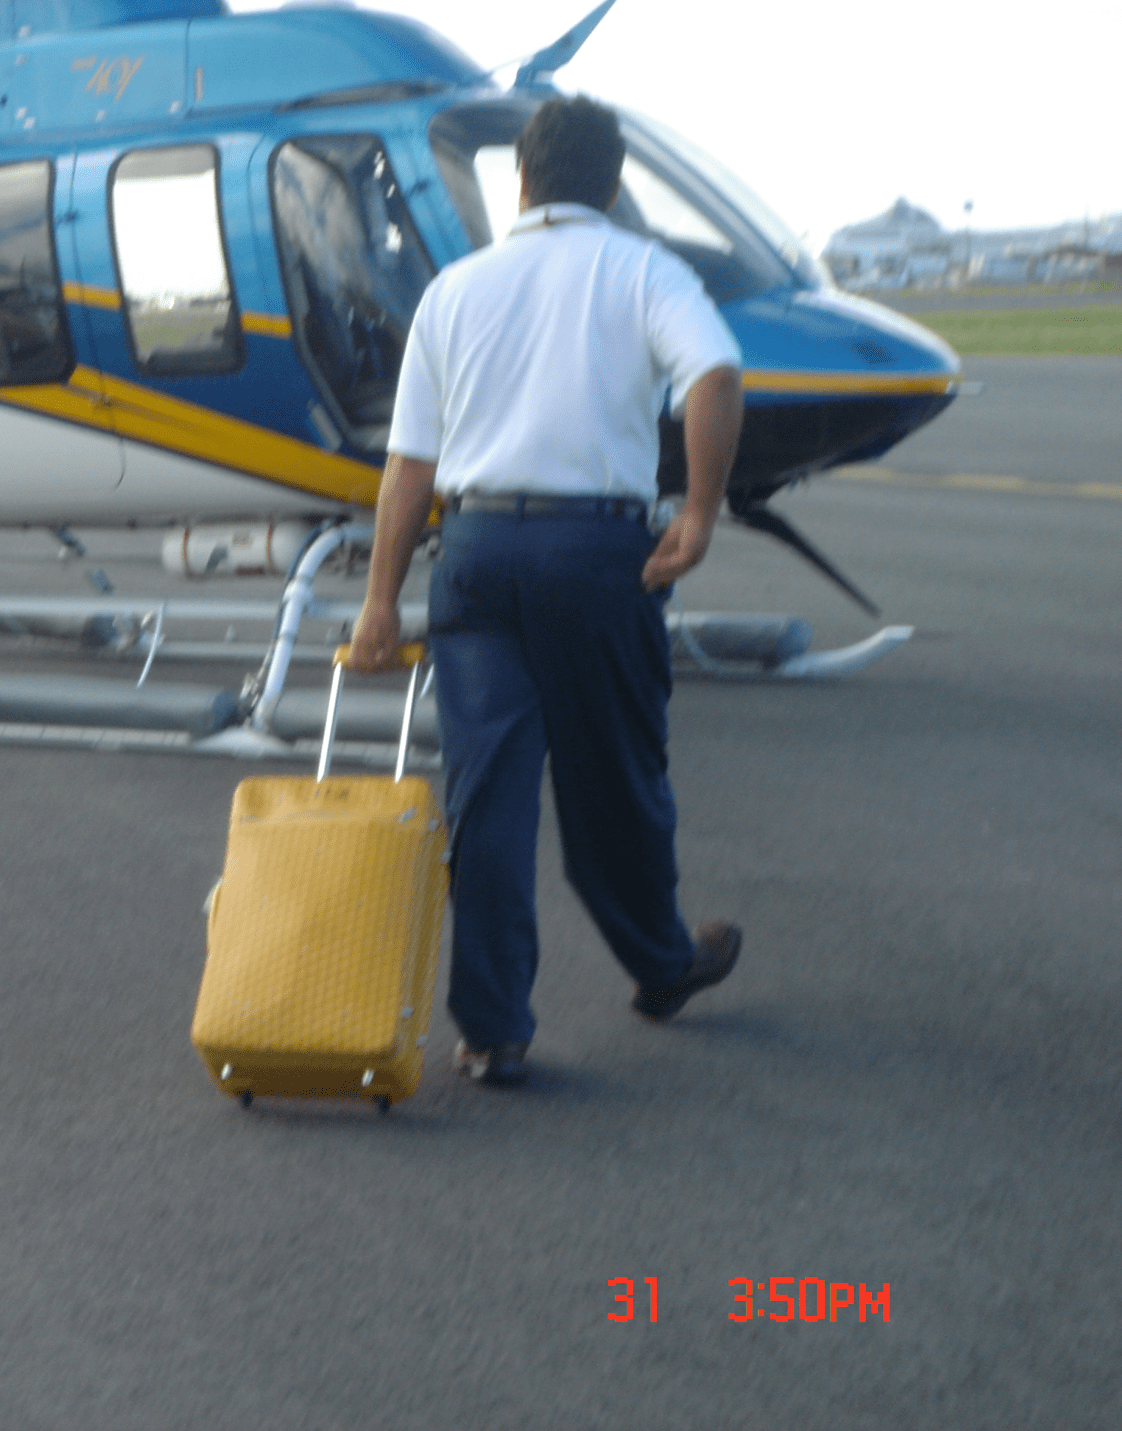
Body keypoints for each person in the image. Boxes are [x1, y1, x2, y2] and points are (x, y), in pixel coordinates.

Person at [348, 95, 745, 1088]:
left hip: (475, 552)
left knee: (488, 795)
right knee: (616, 782)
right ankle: (660, 963)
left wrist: (380, 601)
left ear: (519, 180)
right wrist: (699, 512)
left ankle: (492, 1030)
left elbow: (409, 466)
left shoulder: (455, 289)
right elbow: (715, 375)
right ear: (611, 186)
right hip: (595, 555)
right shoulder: (644, 271)